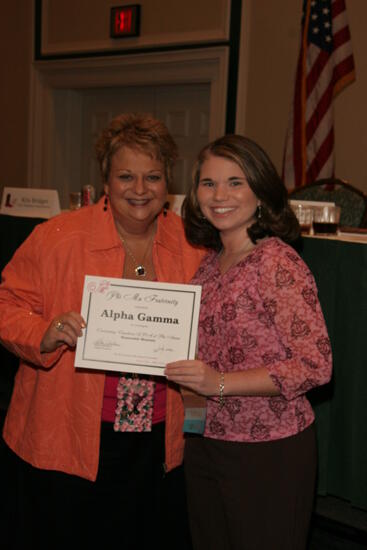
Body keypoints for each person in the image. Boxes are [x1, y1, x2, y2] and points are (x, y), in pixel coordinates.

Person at [0, 113, 205, 549]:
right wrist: (46, 332)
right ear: (105, 182)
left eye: (152, 176)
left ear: (167, 180)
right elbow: (7, 304)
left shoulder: (190, 243)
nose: (139, 189)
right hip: (67, 432)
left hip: (155, 437)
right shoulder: (55, 238)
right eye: (125, 175)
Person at [165, 134, 332, 550]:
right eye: (208, 183)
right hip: (206, 440)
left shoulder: (277, 262)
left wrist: (218, 382)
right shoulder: (208, 263)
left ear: (260, 191)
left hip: (269, 450)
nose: (219, 195)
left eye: (235, 182)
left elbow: (315, 365)